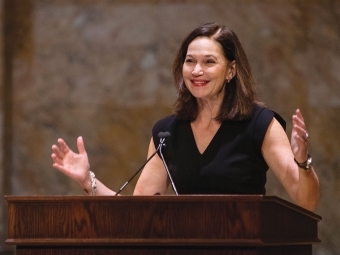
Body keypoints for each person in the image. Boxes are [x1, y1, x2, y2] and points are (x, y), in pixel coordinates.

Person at [51, 22, 319, 211]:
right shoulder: (168, 132)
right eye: (190, 61)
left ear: (231, 70)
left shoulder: (260, 124)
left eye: (209, 62)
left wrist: (302, 162)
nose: (197, 71)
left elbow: (306, 201)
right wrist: (89, 181)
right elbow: (137, 209)